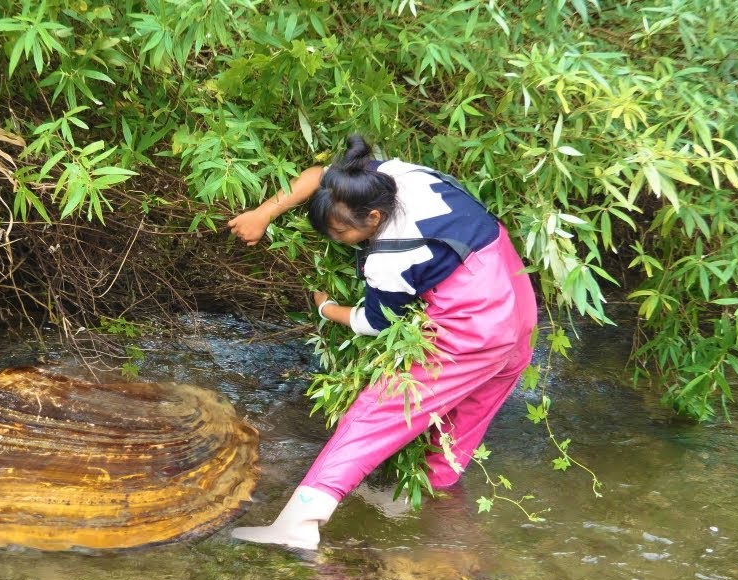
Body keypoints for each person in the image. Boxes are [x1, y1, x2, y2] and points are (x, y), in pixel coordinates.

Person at [226, 134, 538, 551]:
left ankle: (299, 523)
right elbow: (321, 176)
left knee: (378, 413)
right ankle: (420, 505)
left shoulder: (390, 258)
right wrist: (265, 213)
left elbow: (374, 321)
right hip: (517, 301)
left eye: (341, 233)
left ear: (373, 218)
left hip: (474, 324)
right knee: (466, 416)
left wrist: (326, 309)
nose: (337, 240)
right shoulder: (395, 176)